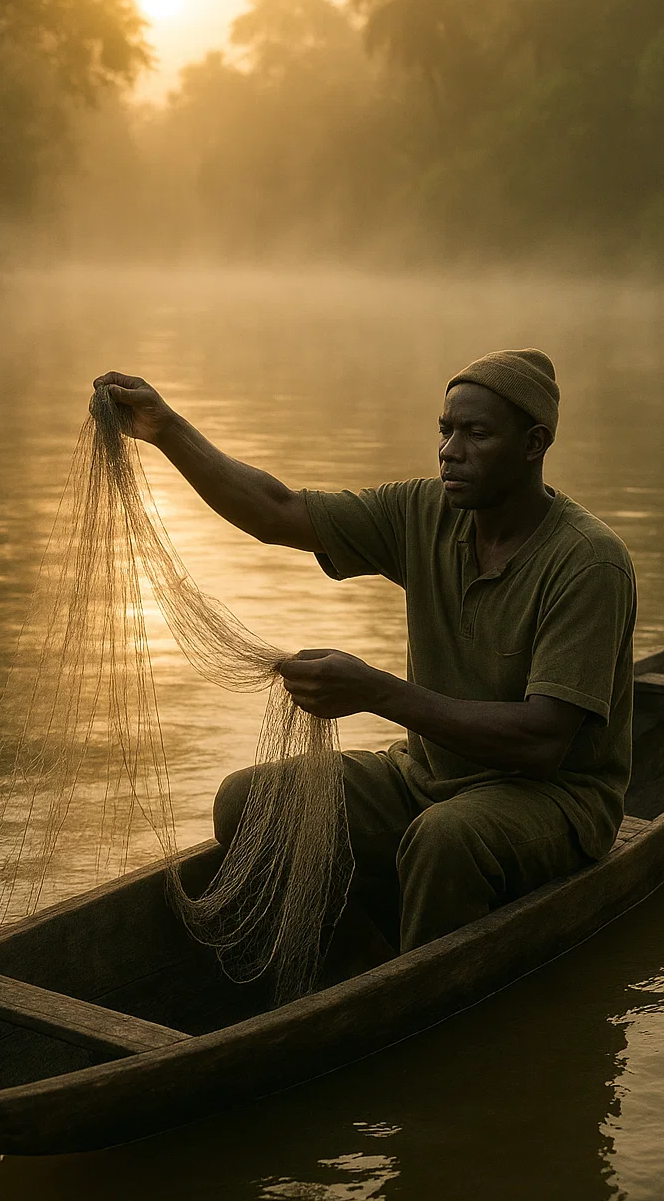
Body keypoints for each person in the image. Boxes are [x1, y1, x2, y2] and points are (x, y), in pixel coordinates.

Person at [94, 348, 636, 954]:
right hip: (430, 775)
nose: (450, 451)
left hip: (556, 800)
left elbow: (542, 743)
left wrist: (375, 692)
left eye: (477, 434)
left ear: (534, 443)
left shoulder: (588, 561)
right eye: (446, 430)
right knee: (247, 804)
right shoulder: (425, 512)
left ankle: (417, 996)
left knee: (445, 840)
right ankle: (363, 959)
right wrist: (166, 430)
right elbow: (278, 514)